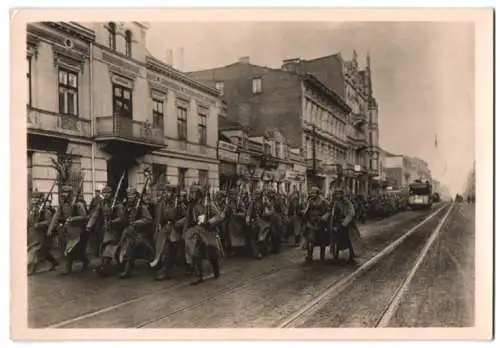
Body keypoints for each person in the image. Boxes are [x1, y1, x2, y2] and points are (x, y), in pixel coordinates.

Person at [183, 185, 224, 285]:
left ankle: (216, 269)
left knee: (211, 253)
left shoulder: (208, 204)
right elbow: (188, 220)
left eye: (193, 192)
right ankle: (198, 276)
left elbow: (219, 215)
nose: (191, 194)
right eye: (191, 192)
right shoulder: (191, 206)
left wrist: (210, 222)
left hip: (208, 231)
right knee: (196, 252)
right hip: (196, 232)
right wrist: (185, 232)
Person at [47, 185, 88, 275]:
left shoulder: (78, 204)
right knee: (67, 249)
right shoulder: (62, 205)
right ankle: (73, 265)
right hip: (66, 231)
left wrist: (73, 219)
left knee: (71, 249)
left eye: (67, 193)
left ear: (70, 194)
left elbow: (84, 217)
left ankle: (75, 264)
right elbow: (55, 217)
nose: (65, 195)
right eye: (63, 193)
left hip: (77, 230)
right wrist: (50, 229)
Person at [87, 186, 125, 276]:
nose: (106, 195)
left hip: (117, 229)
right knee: (106, 247)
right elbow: (95, 215)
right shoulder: (101, 203)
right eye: (104, 193)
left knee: (111, 247)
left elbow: (122, 218)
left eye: (107, 193)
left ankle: (107, 266)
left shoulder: (117, 204)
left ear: (111, 193)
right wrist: (89, 225)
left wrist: (113, 221)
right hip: (107, 229)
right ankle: (107, 265)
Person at [27, 191, 59, 275]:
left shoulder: (45, 211)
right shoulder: (30, 210)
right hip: (32, 234)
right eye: (33, 199)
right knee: (43, 251)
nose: (34, 201)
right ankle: (53, 262)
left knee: (34, 251)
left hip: (40, 234)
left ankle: (30, 269)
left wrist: (39, 224)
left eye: (36, 199)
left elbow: (49, 222)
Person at [329, 187, 356, 263]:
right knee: (336, 239)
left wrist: (345, 222)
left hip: (346, 223)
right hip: (337, 223)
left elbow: (351, 212)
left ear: (342, 194)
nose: (337, 195)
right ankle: (335, 255)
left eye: (339, 194)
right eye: (336, 194)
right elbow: (330, 211)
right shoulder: (333, 203)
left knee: (348, 239)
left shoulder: (347, 202)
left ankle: (351, 254)